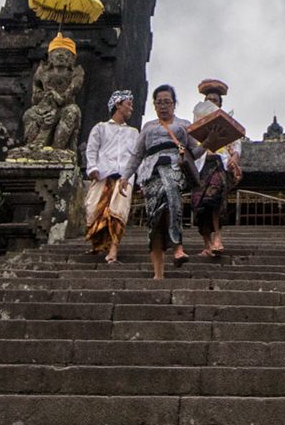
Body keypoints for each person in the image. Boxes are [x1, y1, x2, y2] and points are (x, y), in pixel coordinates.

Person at [120, 84, 203, 279]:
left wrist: (208, 142)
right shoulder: (148, 127)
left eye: (167, 102)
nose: (163, 106)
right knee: (155, 220)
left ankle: (178, 246)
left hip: (174, 168)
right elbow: (137, 155)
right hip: (151, 173)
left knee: (171, 192)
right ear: (154, 105)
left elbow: (195, 151)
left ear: (174, 104)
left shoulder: (183, 126)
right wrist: (125, 176)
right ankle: (158, 273)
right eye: (159, 103)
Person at [84, 90, 139, 263]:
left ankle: (113, 250)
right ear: (117, 105)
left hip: (124, 177)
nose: (131, 108)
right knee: (94, 209)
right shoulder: (101, 128)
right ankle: (99, 244)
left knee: (118, 213)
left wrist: (141, 178)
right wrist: (92, 167)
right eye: (128, 104)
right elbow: (92, 149)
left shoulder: (133, 132)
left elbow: (138, 156)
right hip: (103, 175)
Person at [190, 79, 242, 257]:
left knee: (215, 199)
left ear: (220, 104)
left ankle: (218, 236)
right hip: (200, 165)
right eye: (209, 100)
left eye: (216, 100)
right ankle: (207, 243)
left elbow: (236, 146)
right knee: (200, 204)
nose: (212, 102)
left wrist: (234, 159)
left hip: (219, 163)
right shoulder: (195, 123)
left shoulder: (226, 121)